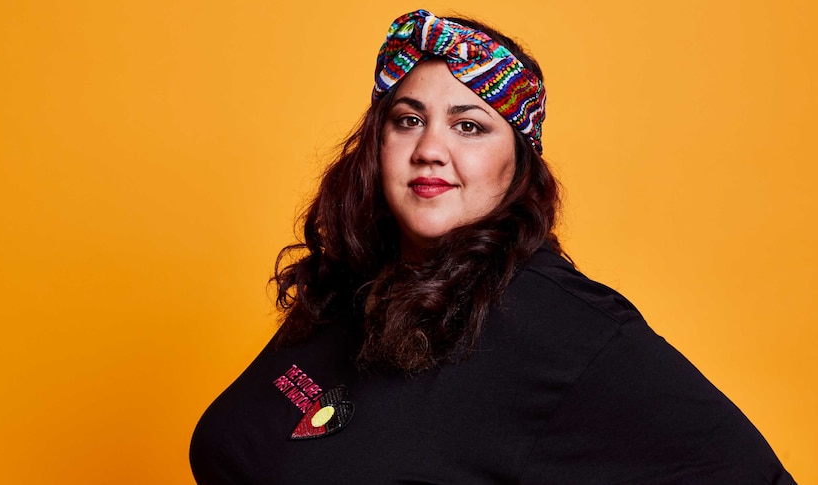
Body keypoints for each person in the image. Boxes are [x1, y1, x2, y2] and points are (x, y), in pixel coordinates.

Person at [190, 9, 796, 484]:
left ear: (518, 163)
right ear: (377, 144)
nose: (430, 148)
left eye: (470, 125)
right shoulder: (353, 283)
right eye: (407, 119)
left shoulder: (566, 330)